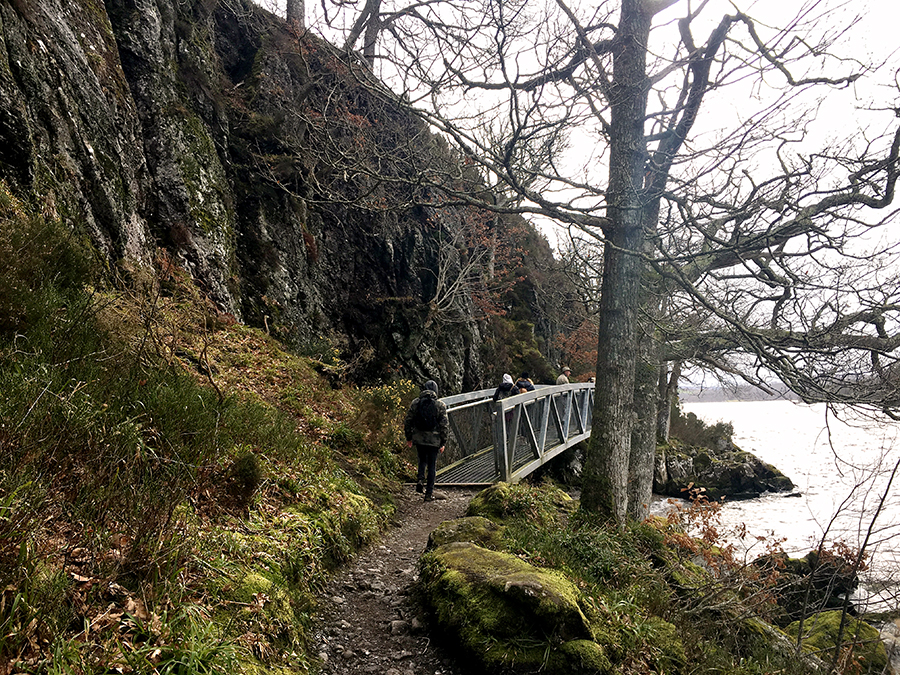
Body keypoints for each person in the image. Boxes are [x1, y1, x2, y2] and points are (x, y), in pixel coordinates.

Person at [404, 380, 450, 502]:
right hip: (434, 440)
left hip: (419, 438)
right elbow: (444, 425)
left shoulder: (416, 402)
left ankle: (420, 479)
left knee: (421, 459)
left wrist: (409, 437)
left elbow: (408, 420)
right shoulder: (440, 405)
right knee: (432, 465)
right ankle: (428, 494)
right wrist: (443, 442)